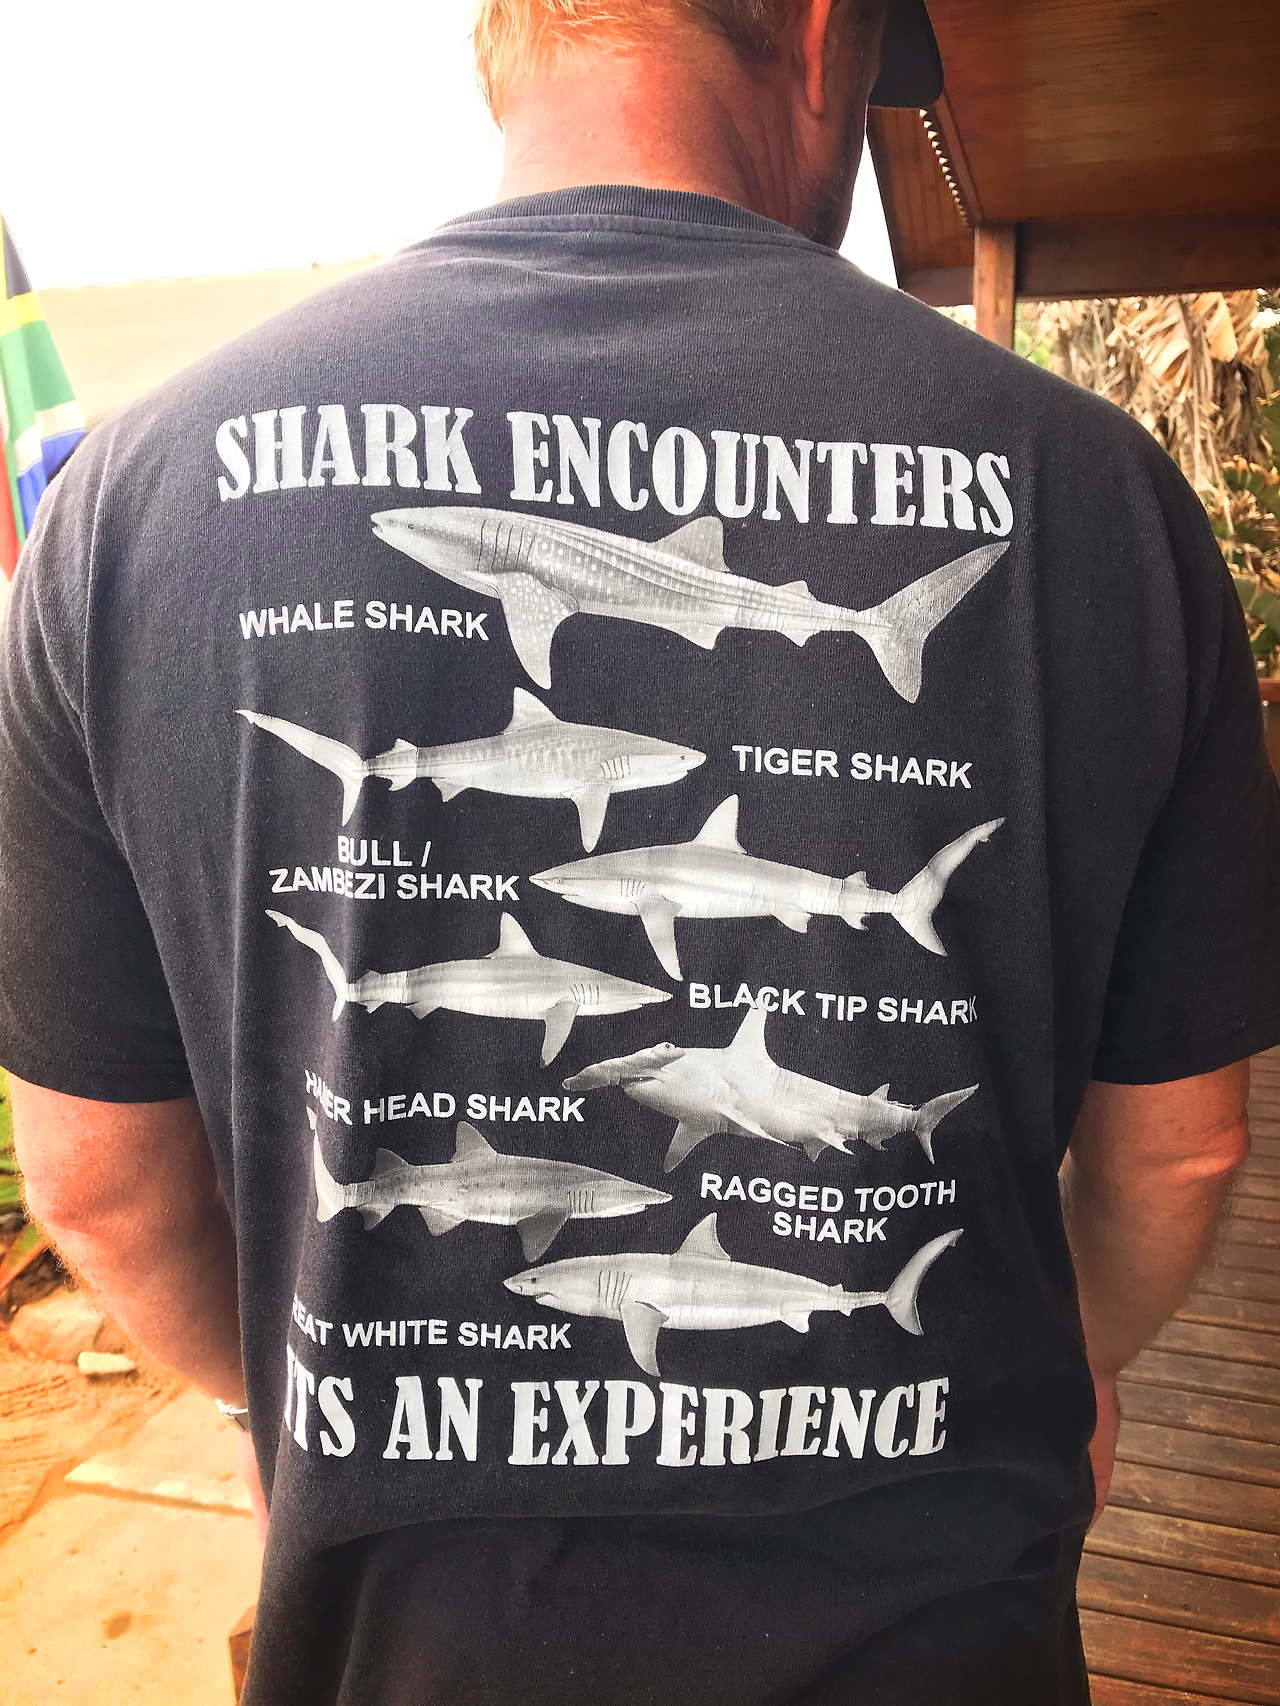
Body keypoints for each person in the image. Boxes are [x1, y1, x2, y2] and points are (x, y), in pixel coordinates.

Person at [2, 1, 1276, 1700]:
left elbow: (92, 1180)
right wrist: (1064, 1362)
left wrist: (284, 1400)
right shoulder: (1100, 498)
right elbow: (1183, 1152)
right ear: (818, 34)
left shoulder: (125, 509)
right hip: (943, 1639)